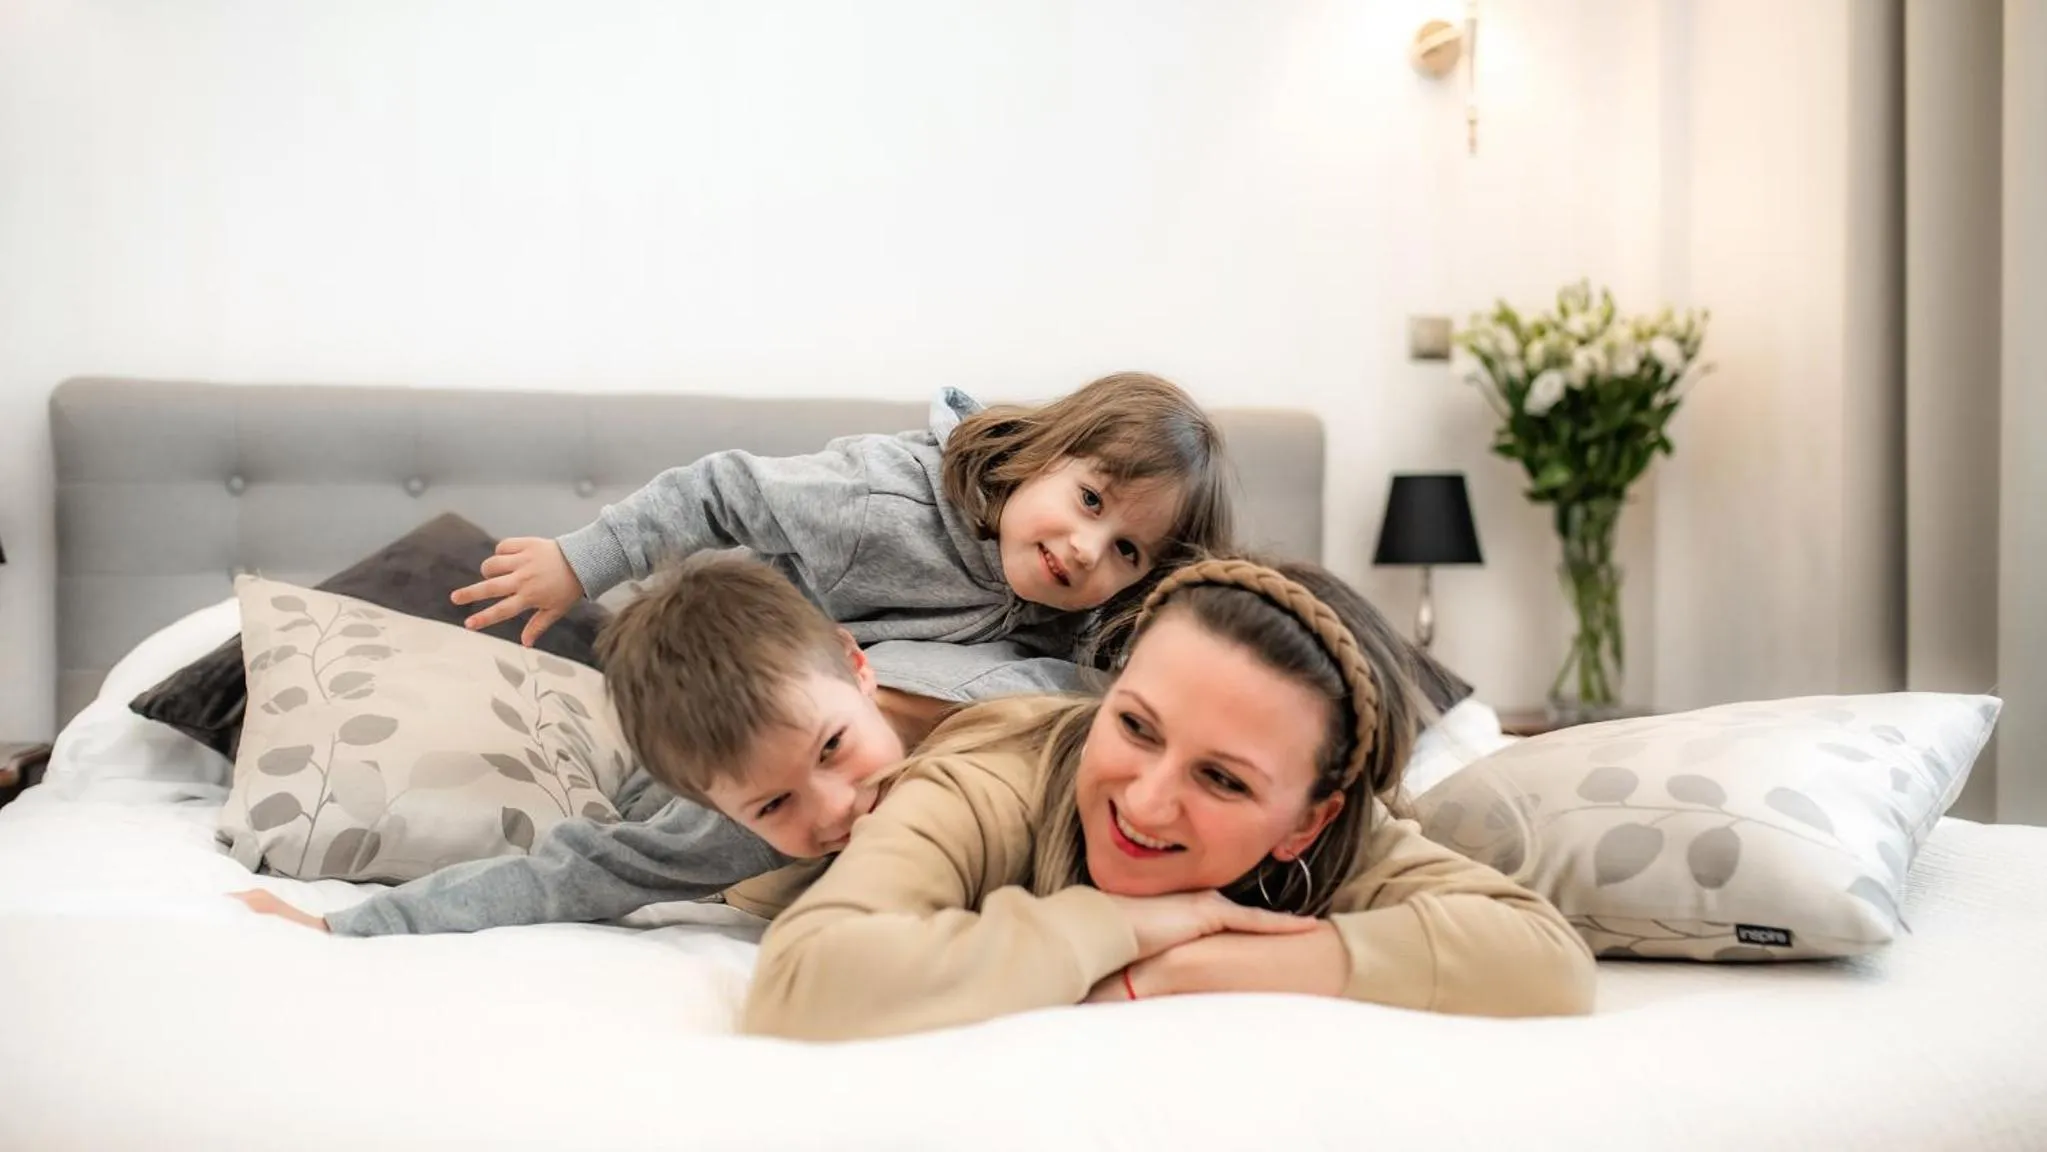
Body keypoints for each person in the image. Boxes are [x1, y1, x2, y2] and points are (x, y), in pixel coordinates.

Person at [739, 556, 1598, 1041]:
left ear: (1307, 821)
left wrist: (1199, 961)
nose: (1146, 804)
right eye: (1137, 727)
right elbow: (802, 976)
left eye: (1221, 778)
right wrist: (1125, 924)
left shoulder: (1338, 836)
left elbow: (1542, 956)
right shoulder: (986, 779)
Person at [233, 553, 1030, 934]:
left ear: (856, 667)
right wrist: (350, 925)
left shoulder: (1019, 697)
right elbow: (574, 873)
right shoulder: (720, 829)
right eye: (774, 802)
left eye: (832, 749)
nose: (838, 808)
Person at [450, 373, 1234, 673]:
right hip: (701, 645)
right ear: (1038, 454)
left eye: (1127, 549)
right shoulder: (877, 502)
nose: (1086, 549)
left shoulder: (1079, 606)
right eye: (1090, 500)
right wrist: (586, 559)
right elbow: (721, 489)